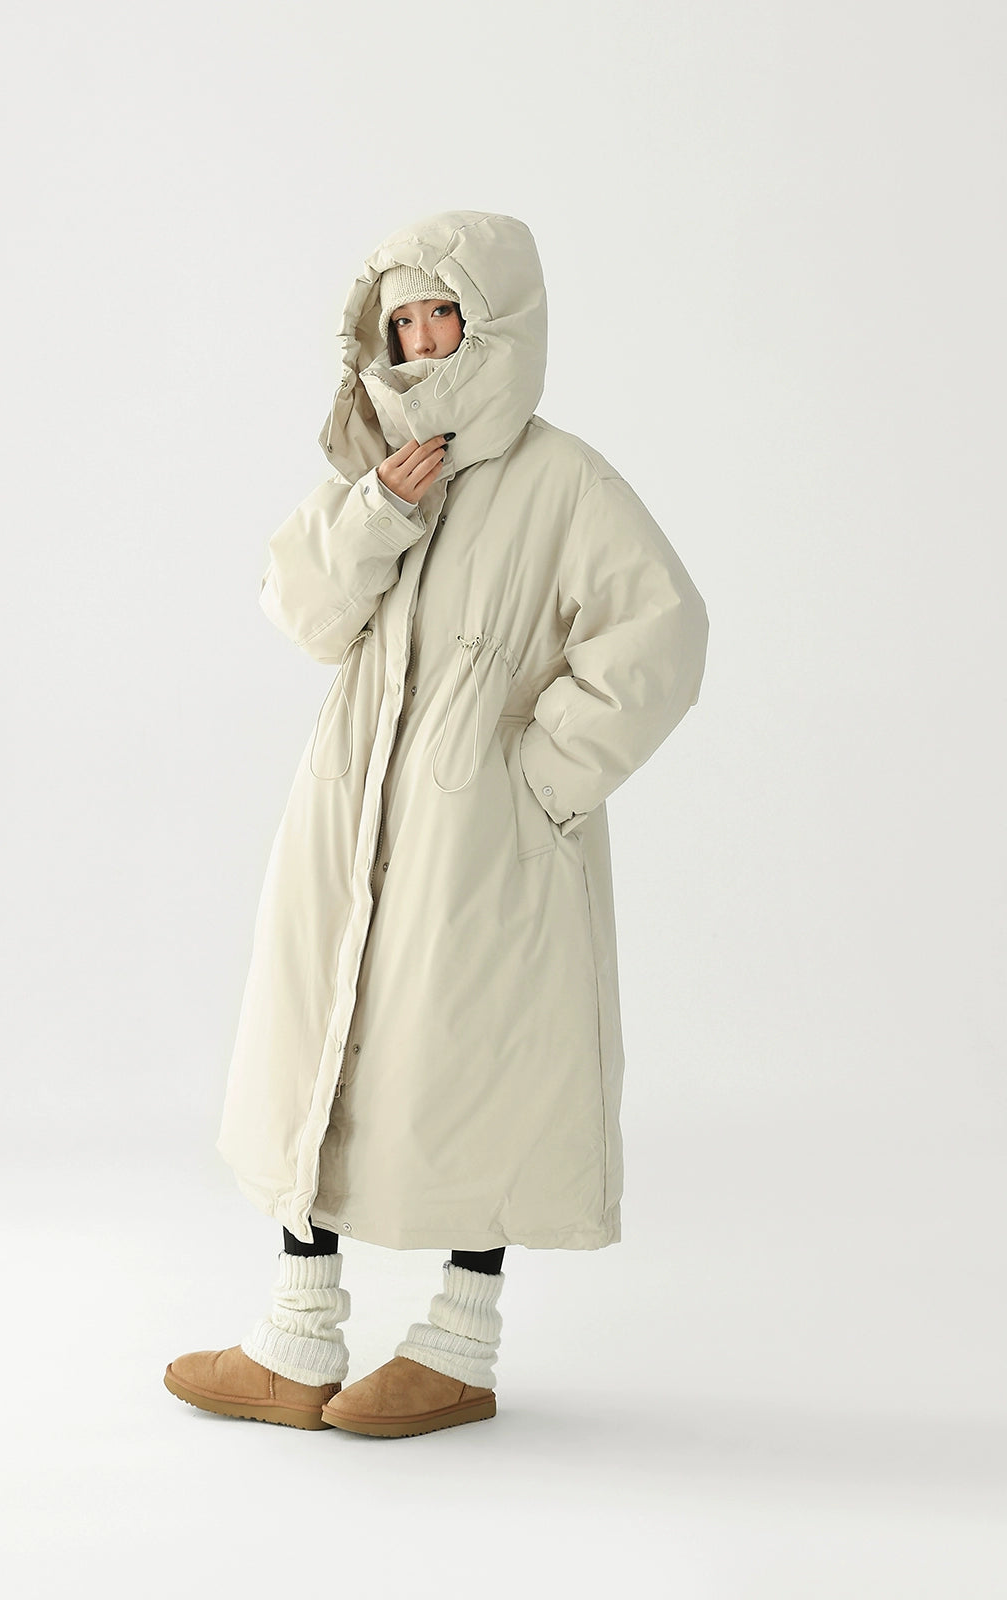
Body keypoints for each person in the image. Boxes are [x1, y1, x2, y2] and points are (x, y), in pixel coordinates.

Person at [165, 209, 709, 1438]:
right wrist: (374, 513)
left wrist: (539, 776)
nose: (418, 340)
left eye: (441, 315)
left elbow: (663, 633)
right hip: (349, 800)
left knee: (474, 1060)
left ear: (493, 323)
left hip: (480, 830)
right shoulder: (379, 466)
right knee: (322, 1041)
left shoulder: (565, 479)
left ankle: (458, 1343)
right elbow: (302, 615)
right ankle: (297, 1338)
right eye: (401, 319)